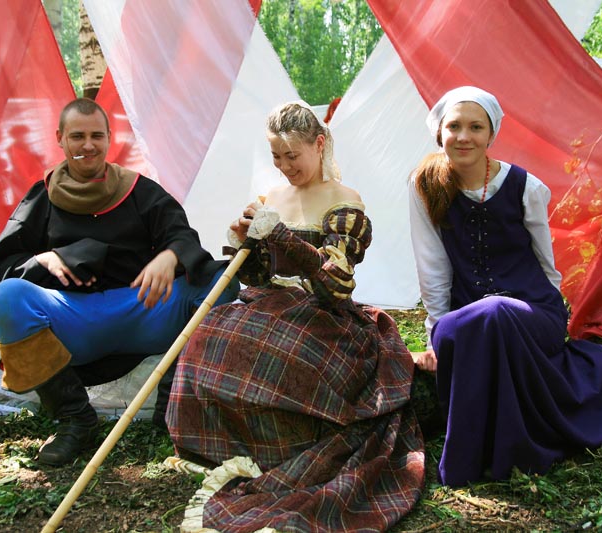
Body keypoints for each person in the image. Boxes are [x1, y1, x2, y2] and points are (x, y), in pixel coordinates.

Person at [165, 102, 424, 532]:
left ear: (318, 145)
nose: (284, 167)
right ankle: (223, 447)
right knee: (210, 337)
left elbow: (335, 286)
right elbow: (258, 277)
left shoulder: (345, 201)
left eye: (292, 156)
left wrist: (282, 235)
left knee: (285, 355)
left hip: (325, 315)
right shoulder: (273, 197)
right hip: (269, 304)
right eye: (276, 157)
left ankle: (282, 449)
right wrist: (243, 243)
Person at [0, 98, 238, 467]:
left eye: (96, 136)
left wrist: (170, 256)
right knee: (8, 296)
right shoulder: (43, 198)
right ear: (60, 138)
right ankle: (74, 420)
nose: (88, 145)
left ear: (108, 137)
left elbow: (181, 235)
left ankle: (174, 401)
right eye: (78, 136)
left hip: (143, 308)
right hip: (73, 320)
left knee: (219, 280)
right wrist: (41, 260)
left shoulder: (139, 190)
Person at [408, 86, 602, 487]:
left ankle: (488, 456)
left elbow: (546, 265)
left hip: (534, 312)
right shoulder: (425, 185)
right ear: (439, 132)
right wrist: (436, 335)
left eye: (475, 127)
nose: (463, 136)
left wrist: (556, 317)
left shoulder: (525, 187)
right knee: (480, 321)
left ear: (491, 134)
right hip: (469, 318)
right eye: (454, 126)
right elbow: (433, 267)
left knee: (497, 311)